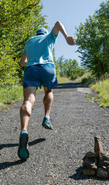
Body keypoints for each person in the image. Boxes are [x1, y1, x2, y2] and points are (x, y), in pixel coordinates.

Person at [17, 21, 76, 160]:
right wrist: (67, 37)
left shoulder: (29, 41)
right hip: (47, 68)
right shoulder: (48, 37)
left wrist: (32, 59)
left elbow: (22, 62)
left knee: (28, 100)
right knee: (48, 92)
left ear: (36, 34)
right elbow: (57, 23)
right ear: (44, 33)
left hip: (31, 69)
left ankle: (24, 130)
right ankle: (46, 117)